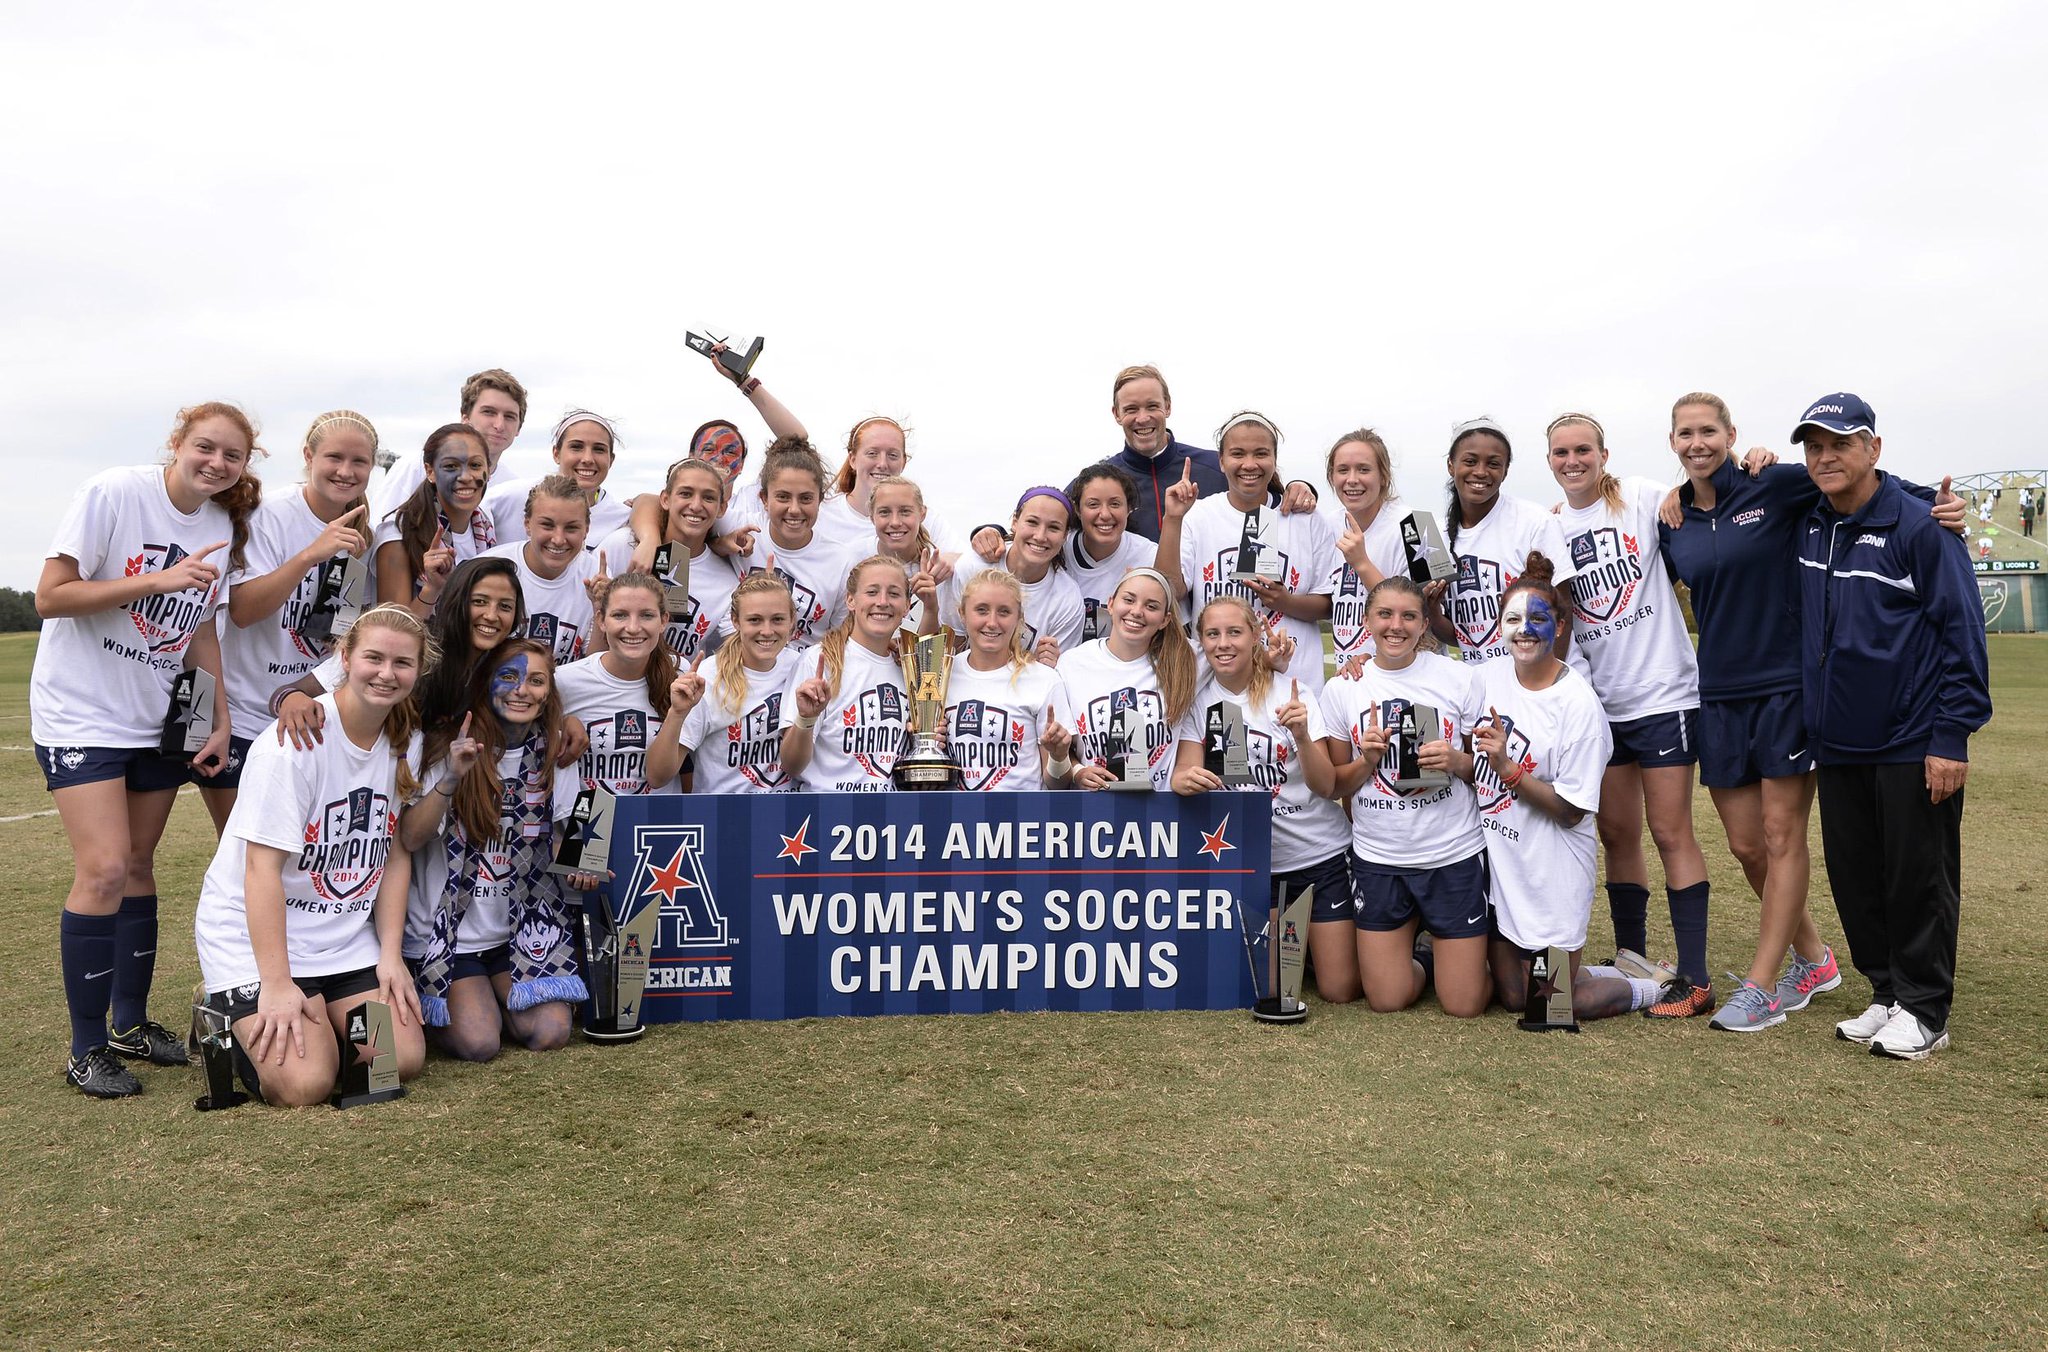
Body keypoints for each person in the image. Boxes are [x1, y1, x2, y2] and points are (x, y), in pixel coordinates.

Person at [1658, 393, 1965, 1028]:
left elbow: (1863, 481)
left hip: (1788, 692)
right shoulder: (1672, 518)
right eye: (1685, 434)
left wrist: (1940, 505)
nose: (1698, 443)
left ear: (1731, 435)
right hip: (1717, 694)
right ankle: (1816, 958)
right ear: (1672, 442)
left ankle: (1764, 986)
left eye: (1708, 431)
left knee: (1780, 835)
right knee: (1747, 848)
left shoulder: (1773, 484)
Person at [33, 401, 257, 1096]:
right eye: (206, 448)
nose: (217, 463)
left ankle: (130, 1023)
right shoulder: (113, 492)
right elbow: (51, 596)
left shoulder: (222, 524)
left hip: (158, 718)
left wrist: (216, 715)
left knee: (136, 863)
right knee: (100, 869)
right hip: (82, 713)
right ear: (178, 442)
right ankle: (85, 1047)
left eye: (232, 456)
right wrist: (156, 579)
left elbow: (200, 631)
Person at [1791, 393, 1990, 1060]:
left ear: (1872, 449)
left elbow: (1963, 636)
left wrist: (1951, 738)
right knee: (1857, 878)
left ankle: (1927, 1009)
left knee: (1918, 878)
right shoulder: (1813, 522)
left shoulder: (1923, 525)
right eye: (1814, 446)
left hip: (1911, 739)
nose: (1825, 457)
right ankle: (1889, 992)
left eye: (1839, 444)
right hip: (1838, 741)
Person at [190, 604, 430, 1107]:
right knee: (305, 1085)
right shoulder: (293, 744)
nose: (387, 674)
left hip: (342, 942)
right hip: (257, 943)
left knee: (396, 1059)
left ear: (419, 669)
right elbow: (260, 871)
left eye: (402, 663)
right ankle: (224, 1007)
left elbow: (393, 855)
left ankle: (319, 1012)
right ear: (344, 657)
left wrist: (390, 954)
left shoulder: (406, 743)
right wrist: (276, 984)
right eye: (374, 658)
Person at [1545, 413, 1715, 1021]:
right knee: (1618, 834)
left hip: (1664, 694)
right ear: (1550, 460)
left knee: (1671, 832)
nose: (1573, 461)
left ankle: (1695, 978)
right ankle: (1632, 958)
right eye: (1561, 452)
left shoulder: (1643, 498)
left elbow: (1704, 493)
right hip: (1600, 706)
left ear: (1603, 452)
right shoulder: (1552, 526)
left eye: (1583, 450)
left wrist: (1755, 461)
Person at [1473, 554, 1670, 1022]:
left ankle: (1649, 986)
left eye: (1537, 619)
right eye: (1514, 619)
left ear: (1560, 626)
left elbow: (1571, 811)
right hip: (1504, 872)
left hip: (1552, 877)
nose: (1524, 630)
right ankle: (1599, 972)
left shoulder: (1578, 704)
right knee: (1515, 998)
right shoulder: (1487, 677)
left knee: (1549, 1007)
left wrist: (1509, 769)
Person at [399, 638, 594, 1061]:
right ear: (485, 683)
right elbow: (410, 838)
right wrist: (450, 777)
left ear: (549, 693)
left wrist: (582, 866)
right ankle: (461, 1000)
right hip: (450, 939)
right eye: (509, 676)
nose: (522, 690)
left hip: (519, 935)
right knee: (480, 1043)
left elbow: (566, 835)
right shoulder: (445, 745)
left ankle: (494, 999)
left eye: (536, 681)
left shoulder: (554, 753)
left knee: (551, 1032)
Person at [1317, 575, 1489, 1017]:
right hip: (1380, 858)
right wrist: (1367, 760)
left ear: (1423, 621)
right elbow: (1338, 785)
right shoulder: (1343, 688)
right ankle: (1427, 951)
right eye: (1385, 615)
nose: (1396, 626)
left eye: (1409, 615)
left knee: (1464, 1005)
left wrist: (1455, 761)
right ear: (1366, 620)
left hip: (1451, 853)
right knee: (1387, 999)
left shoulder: (1458, 679)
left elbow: (1483, 773)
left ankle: (1453, 952)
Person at [1172, 596, 1356, 1002]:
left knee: (1339, 989)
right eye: (1213, 634)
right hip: (1254, 865)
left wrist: (1303, 735)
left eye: (1235, 632)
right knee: (1268, 989)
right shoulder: (1201, 703)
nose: (1224, 643)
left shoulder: (1292, 692)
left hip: (1318, 856)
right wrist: (1186, 780)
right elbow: (1183, 771)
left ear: (1256, 635)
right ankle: (1302, 945)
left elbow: (1326, 785)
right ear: (1201, 640)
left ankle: (1407, 954)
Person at [214, 410, 376, 832]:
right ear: (309, 456)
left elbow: (339, 637)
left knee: (298, 857)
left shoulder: (364, 534)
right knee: (243, 854)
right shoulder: (270, 514)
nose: (346, 471)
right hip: (245, 715)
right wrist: (309, 556)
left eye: (359, 462)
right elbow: (243, 612)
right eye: (334, 458)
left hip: (310, 718)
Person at [1157, 411, 1337, 694]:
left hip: (1294, 680)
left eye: (1261, 453)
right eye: (1237, 454)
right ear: (1221, 460)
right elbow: (1170, 589)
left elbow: (1328, 605)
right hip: (1218, 684)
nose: (1249, 464)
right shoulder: (1200, 516)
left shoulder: (1307, 519)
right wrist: (1173, 519)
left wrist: (1284, 601)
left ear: (1275, 460)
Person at [1099, 365, 1318, 541]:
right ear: (1116, 414)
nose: (1143, 417)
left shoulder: (1217, 465)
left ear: (1168, 406)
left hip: (1215, 595)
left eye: (1152, 406)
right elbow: (1064, 511)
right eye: (1131, 409)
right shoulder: (1101, 480)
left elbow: (1271, 498)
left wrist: (1299, 487)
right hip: (1135, 595)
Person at [1430, 418, 1578, 665]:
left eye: (1493, 464)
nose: (1480, 471)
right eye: (1469, 461)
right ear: (1450, 465)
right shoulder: (1433, 538)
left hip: (1546, 686)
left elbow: (1563, 610)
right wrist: (1432, 611)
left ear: (1506, 471)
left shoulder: (1533, 521)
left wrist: (1542, 683)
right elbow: (1463, 637)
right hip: (1488, 693)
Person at [654, 573, 803, 793]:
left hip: (788, 814)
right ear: (735, 621)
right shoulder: (708, 676)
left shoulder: (800, 666)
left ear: (792, 621)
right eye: (754, 620)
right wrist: (677, 714)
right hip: (723, 816)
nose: (767, 631)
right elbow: (658, 776)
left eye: (778, 619)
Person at [779, 555, 916, 792]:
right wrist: (805, 719)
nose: (882, 602)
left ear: (906, 606)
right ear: (850, 600)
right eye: (872, 592)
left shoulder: (907, 668)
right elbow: (791, 765)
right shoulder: (821, 661)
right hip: (827, 815)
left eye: (894, 594)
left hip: (890, 820)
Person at [1058, 568, 1198, 791]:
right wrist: (1078, 772)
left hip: (1162, 813)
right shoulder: (1071, 664)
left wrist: (1274, 663)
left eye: (1151, 606)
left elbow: (1235, 655)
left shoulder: (1187, 658)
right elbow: (1063, 747)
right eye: (1129, 600)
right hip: (1095, 813)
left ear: (1165, 620)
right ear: (1111, 604)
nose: (1137, 611)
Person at [597, 457, 746, 664]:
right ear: (665, 500)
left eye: (708, 498)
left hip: (677, 688)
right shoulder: (624, 546)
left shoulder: (725, 583)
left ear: (721, 508)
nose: (695, 505)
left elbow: (740, 653)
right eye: (685, 494)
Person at [940, 568, 1076, 791]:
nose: (992, 622)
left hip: (1022, 821)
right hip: (957, 822)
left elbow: (1058, 784)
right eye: (981, 610)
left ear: (1019, 618)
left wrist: (1059, 757)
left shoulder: (1043, 680)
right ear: (962, 614)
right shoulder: (942, 674)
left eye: (1004, 612)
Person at [552, 573, 684, 797]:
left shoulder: (680, 676)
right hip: (588, 824)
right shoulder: (565, 681)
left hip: (656, 825)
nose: (633, 628)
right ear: (601, 620)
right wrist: (559, 723)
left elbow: (674, 772)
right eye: (620, 615)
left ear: (663, 621)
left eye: (646, 615)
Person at [369, 368, 528, 529]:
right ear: (465, 418)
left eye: (509, 416)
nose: (499, 425)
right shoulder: (416, 466)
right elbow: (381, 527)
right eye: (489, 412)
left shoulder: (512, 487)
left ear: (519, 428)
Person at [943, 487, 1087, 662]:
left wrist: (1045, 666)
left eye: (1053, 528)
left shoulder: (1067, 599)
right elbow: (950, 645)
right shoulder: (972, 566)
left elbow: (1061, 671)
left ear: (1065, 536)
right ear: (1015, 522)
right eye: (1032, 522)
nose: (1040, 536)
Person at [481, 474, 604, 665]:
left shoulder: (596, 574)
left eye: (571, 528)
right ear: (527, 524)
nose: (558, 539)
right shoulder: (488, 568)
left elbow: (594, 667)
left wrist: (601, 608)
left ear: (586, 529)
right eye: (547, 525)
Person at [374, 423, 493, 617]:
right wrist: (432, 588)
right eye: (451, 466)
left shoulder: (486, 528)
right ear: (430, 472)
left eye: (475, 465)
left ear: (489, 469)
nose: (465, 476)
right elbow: (392, 630)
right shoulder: (398, 532)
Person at [1320, 429, 1410, 672]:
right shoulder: (1326, 526)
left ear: (1383, 476)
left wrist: (1362, 564)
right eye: (1342, 470)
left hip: (1403, 676)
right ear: (1331, 477)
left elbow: (1423, 617)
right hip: (1348, 681)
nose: (1352, 479)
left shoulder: (1418, 526)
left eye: (1363, 469)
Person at [815, 416, 967, 557]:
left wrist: (952, 560)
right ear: (852, 460)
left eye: (892, 455)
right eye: (872, 453)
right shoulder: (823, 514)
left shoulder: (925, 519)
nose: (882, 464)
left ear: (903, 462)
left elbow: (965, 562)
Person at [748, 443, 850, 651]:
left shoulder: (841, 561)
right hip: (741, 673)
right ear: (764, 499)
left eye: (805, 498)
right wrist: (719, 542)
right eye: (783, 497)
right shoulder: (744, 532)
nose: (794, 509)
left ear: (820, 500)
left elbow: (841, 639)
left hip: (806, 675)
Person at [489, 410, 632, 545]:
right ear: (556, 454)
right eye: (576, 447)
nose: (588, 459)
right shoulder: (510, 497)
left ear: (611, 460)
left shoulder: (622, 518)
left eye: (599, 449)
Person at [867, 473, 951, 634]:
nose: (895, 522)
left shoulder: (940, 569)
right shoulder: (853, 559)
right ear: (872, 517)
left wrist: (931, 608)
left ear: (922, 513)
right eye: (884, 512)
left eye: (905, 512)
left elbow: (934, 654)